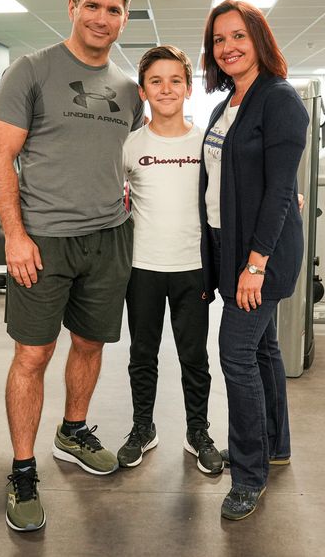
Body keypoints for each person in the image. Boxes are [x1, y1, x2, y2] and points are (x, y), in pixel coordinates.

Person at [0, 0, 143, 533]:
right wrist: (15, 235)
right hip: (44, 241)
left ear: (124, 20)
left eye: (114, 10)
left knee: (90, 344)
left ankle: (73, 430)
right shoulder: (31, 71)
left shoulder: (130, 90)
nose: (103, 18)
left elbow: (146, 160)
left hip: (108, 238)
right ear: (73, 6)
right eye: (94, 6)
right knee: (33, 355)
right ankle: (23, 469)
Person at [198, 0, 308, 521]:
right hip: (230, 246)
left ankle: (248, 475)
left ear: (259, 39)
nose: (228, 47)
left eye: (238, 36)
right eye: (219, 40)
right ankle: (274, 445)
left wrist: (256, 263)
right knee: (263, 350)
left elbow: (281, 188)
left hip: (260, 255)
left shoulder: (279, 99)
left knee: (235, 353)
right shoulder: (228, 104)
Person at [117, 45, 223, 474]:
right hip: (141, 267)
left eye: (175, 80)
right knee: (142, 354)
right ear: (143, 91)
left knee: (194, 356)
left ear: (189, 88)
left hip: (192, 268)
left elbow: (231, 192)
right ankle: (143, 427)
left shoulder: (207, 143)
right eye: (156, 81)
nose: (166, 88)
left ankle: (198, 431)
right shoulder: (129, 145)